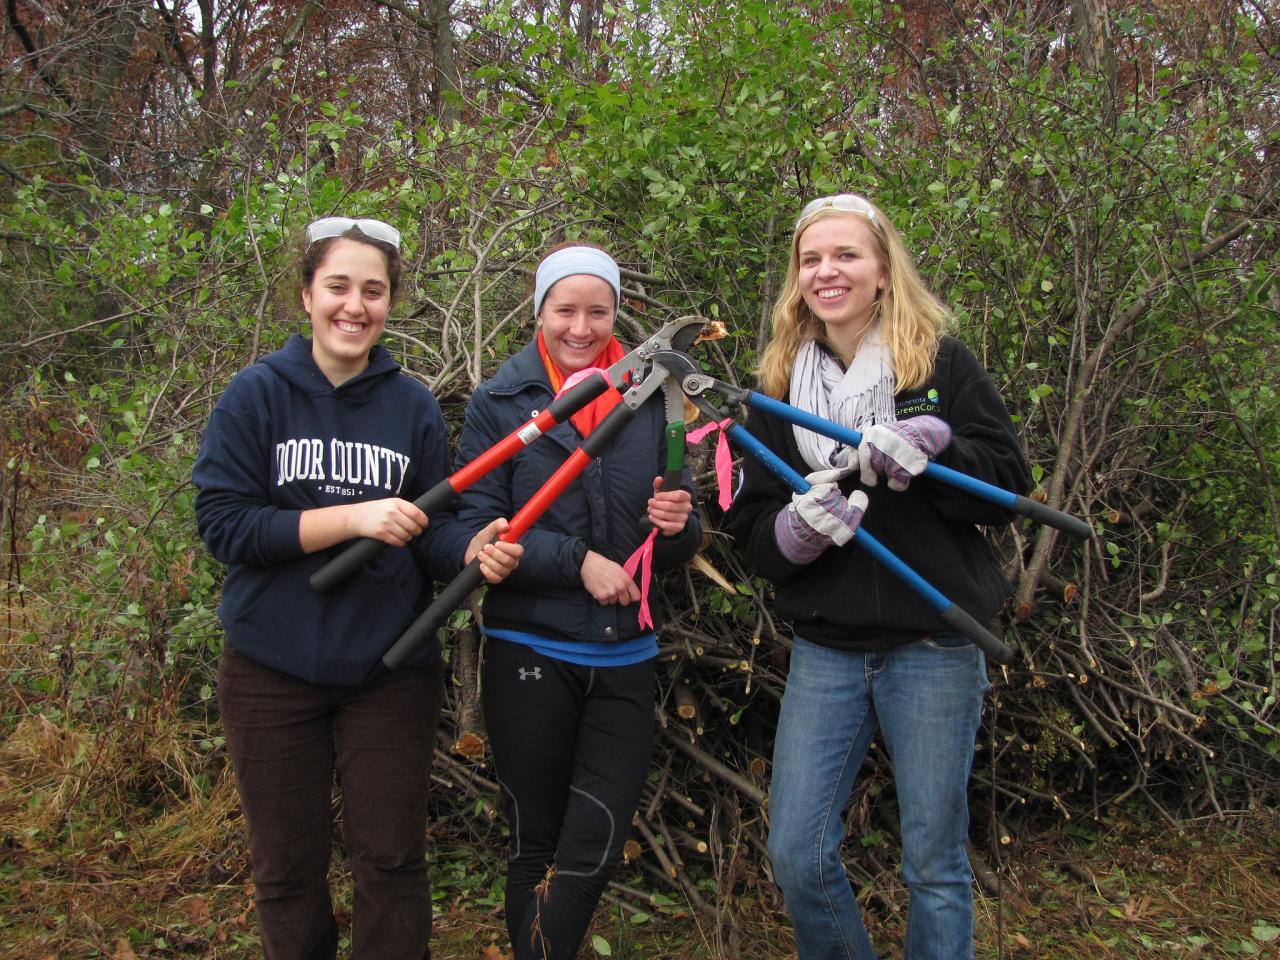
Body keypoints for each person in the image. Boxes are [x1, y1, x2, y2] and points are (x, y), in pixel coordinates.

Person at [193, 216, 523, 960]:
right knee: (286, 867)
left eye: (373, 291)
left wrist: (469, 546)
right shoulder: (256, 396)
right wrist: (350, 518)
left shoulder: (408, 405)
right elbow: (224, 526)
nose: (355, 306)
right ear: (307, 295)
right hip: (270, 668)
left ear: (390, 303)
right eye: (338, 286)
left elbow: (428, 529)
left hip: (388, 670)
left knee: (392, 860)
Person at [726, 194, 1032, 960]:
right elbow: (752, 536)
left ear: (884, 270)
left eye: (846, 255)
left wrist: (934, 450)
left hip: (933, 643)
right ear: (796, 279)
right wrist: (793, 534)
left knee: (933, 861)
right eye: (811, 259)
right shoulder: (773, 388)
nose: (827, 272)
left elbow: (1005, 487)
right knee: (797, 850)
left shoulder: (938, 364)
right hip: (827, 648)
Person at [455, 243, 700, 960]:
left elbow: (678, 549)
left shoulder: (658, 397)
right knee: (536, 845)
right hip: (532, 651)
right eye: (565, 309)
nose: (582, 326)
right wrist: (577, 562)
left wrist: (680, 529)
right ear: (540, 312)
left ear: (618, 312)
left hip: (627, 656)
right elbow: (477, 533)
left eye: (599, 310)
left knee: (593, 846)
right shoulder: (500, 403)